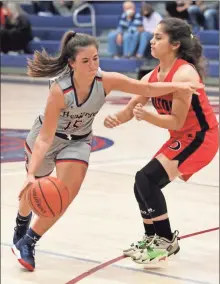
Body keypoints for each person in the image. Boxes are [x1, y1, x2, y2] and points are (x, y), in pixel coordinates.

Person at [11, 30, 202, 272]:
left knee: (64, 195)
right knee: (34, 188)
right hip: (48, 138)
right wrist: (31, 174)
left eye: (96, 59)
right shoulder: (60, 91)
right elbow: (45, 138)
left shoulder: (106, 80)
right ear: (72, 63)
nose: (93, 65)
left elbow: (145, 89)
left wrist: (180, 85)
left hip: (78, 142)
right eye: (85, 61)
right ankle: (21, 222)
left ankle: (29, 241)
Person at [104, 17, 218, 264]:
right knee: (141, 182)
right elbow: (132, 107)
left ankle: (166, 241)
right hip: (182, 136)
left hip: (201, 137)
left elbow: (176, 121)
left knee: (147, 179)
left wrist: (147, 116)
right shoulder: (151, 77)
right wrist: (116, 118)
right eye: (153, 36)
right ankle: (152, 238)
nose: (151, 41)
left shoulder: (186, 74)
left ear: (175, 44)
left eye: (158, 37)